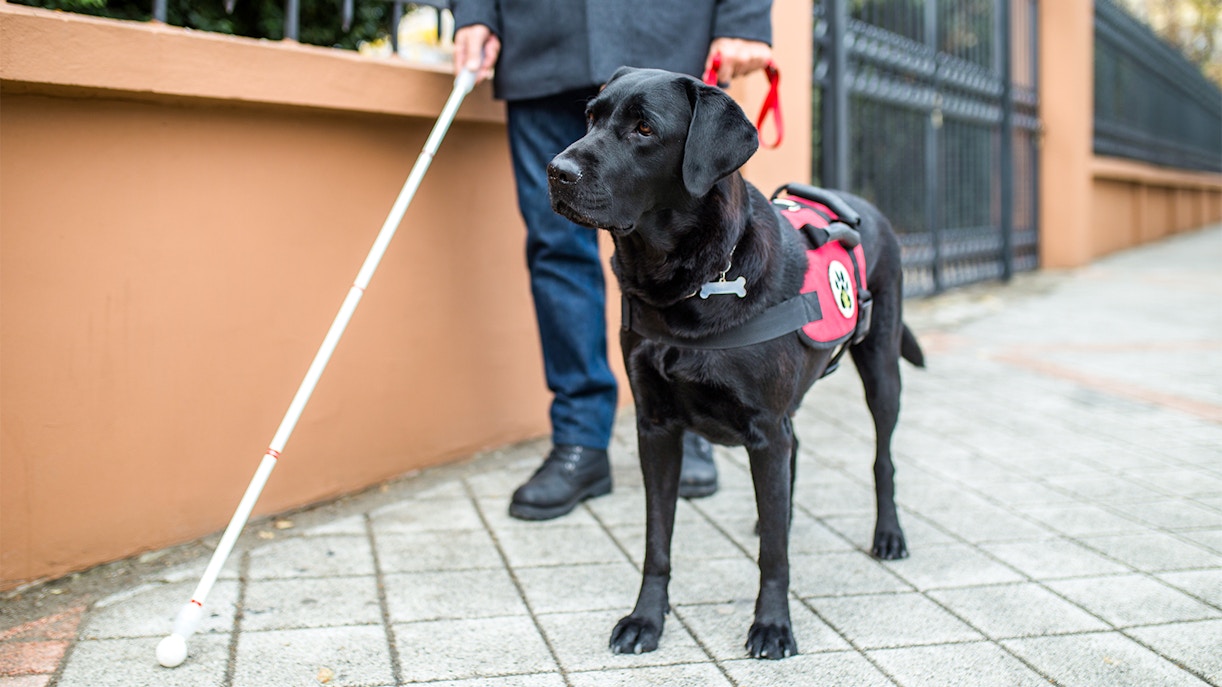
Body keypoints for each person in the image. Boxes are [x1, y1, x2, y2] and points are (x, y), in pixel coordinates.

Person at [449, 0, 774, 521]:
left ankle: (687, 418)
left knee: (689, 249)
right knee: (556, 245)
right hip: (542, 41)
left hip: (668, 31)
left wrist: (743, 19)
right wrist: (474, 11)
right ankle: (579, 440)